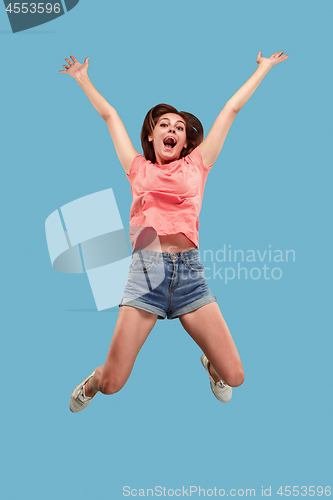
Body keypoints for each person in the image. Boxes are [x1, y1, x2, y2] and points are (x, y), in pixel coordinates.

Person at [59, 50, 289, 412]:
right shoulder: (137, 167)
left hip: (189, 276)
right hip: (146, 275)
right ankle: (94, 380)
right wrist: (83, 78)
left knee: (235, 376)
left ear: (185, 143)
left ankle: (211, 366)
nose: (172, 130)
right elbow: (109, 116)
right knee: (114, 384)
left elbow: (230, 110)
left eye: (179, 128)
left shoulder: (197, 165)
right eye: (164, 125)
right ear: (151, 136)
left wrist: (263, 68)